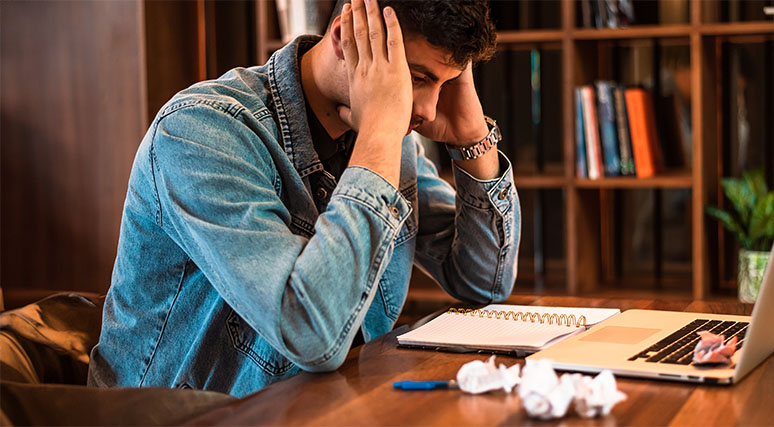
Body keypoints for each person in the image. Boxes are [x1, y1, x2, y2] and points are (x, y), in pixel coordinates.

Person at [88, 0, 520, 398]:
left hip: (321, 405)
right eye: (417, 77)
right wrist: (380, 138)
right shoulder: (200, 132)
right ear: (344, 36)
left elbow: (484, 282)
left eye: (444, 84)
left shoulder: (387, 141)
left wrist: (472, 138)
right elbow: (313, 338)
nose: (426, 109)